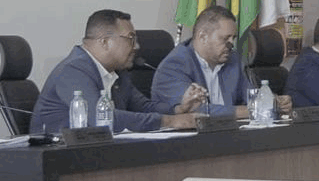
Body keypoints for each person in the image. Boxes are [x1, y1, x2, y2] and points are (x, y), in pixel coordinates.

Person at [32, 9, 203, 133]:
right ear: (105, 42)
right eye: (131, 39)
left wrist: (178, 110)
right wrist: (170, 121)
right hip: (55, 158)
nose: (137, 46)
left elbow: (144, 107)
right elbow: (102, 119)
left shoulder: (118, 73)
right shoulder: (73, 70)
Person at [151, 5, 249, 118]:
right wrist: (247, 111)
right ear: (203, 37)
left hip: (232, 127)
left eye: (233, 38)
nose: (231, 45)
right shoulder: (173, 65)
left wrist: (260, 103)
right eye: (225, 38)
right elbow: (193, 109)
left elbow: (254, 98)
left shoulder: (233, 59)